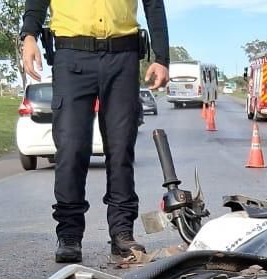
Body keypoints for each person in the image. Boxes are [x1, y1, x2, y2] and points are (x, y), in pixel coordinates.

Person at [20, 0, 170, 263]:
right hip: (71, 56)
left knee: (121, 148)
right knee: (71, 148)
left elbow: (154, 5)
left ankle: (122, 232)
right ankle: (69, 235)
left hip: (123, 56)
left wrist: (161, 57)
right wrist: (29, 35)